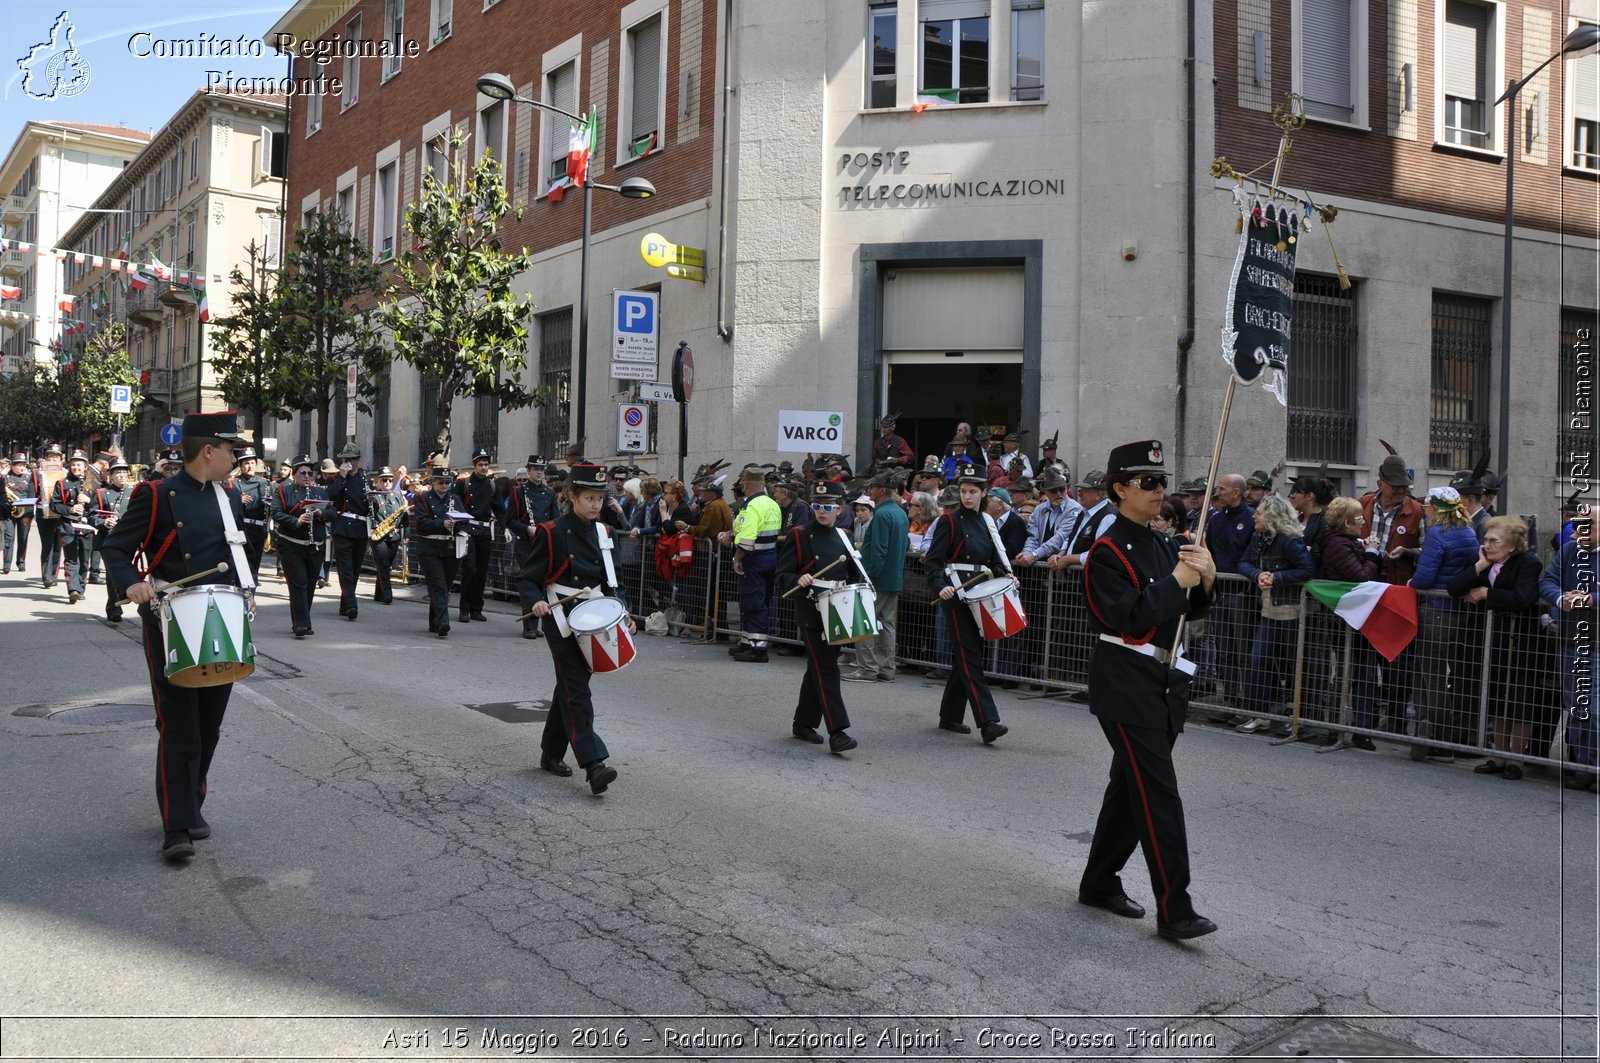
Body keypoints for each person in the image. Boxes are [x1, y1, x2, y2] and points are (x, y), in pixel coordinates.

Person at [1077, 439, 1218, 941]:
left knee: (1128, 789)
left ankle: (1098, 882)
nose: (1160, 491)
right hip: (1126, 683)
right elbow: (1128, 616)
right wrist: (1175, 582)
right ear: (1119, 489)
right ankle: (1175, 909)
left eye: (1163, 482)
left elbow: (1187, 612)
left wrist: (1204, 580)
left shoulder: (1162, 542)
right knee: (1158, 795)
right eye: (1148, 483)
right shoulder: (1106, 551)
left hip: (1166, 679)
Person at [100, 411, 255, 862]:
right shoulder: (157, 495)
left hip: (223, 618)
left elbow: (239, 552)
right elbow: (115, 548)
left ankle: (193, 802)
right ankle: (176, 823)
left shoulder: (230, 498)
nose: (236, 459)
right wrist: (131, 582)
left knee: (210, 725)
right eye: (232, 451)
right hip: (172, 621)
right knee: (179, 726)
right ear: (209, 451)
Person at [518, 463, 631, 794]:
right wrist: (534, 600)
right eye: (589, 498)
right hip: (561, 617)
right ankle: (594, 764)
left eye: (599, 498)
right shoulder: (551, 531)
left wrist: (624, 614)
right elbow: (529, 577)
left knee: (569, 687)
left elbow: (614, 582)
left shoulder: (605, 533)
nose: (596, 504)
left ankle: (551, 752)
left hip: (596, 618)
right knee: (577, 689)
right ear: (571, 496)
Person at [1450, 516, 1550, 781]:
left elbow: (1523, 597)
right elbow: (1454, 588)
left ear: (1512, 545)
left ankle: (1516, 759)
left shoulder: (1528, 562)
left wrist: (1486, 594)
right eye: (1486, 539)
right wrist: (1481, 565)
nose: (1488, 544)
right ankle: (1499, 756)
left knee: (1519, 700)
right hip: (1491, 642)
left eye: (1494, 541)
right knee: (1496, 698)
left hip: (1520, 641)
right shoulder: (1485, 563)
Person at [926, 462, 1013, 743]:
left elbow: (994, 562)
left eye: (973, 491)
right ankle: (988, 721)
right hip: (956, 594)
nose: (967, 496)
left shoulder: (987, 522)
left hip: (981, 594)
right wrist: (941, 587)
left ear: (983, 492)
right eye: (963, 491)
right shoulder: (948, 521)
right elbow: (933, 562)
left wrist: (1008, 576)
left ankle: (950, 716)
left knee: (967, 656)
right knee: (970, 656)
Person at [776, 480, 865, 753]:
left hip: (838, 607)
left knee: (818, 668)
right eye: (817, 506)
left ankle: (803, 723)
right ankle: (838, 731)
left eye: (828, 506)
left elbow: (854, 574)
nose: (822, 511)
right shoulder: (800, 534)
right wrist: (797, 577)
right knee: (827, 668)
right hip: (811, 609)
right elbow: (782, 575)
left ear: (839, 508)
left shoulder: (844, 536)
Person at [1407, 485, 1482, 758]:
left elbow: (1425, 578)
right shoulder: (1467, 530)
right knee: (1436, 673)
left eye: (1427, 506)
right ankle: (1430, 736)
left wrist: (1410, 582)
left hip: (1435, 610)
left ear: (1435, 508)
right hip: (1456, 611)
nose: (1424, 510)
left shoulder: (1438, 533)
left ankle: (1438, 738)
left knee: (1431, 675)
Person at [1233, 495, 1313, 735]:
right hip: (1268, 612)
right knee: (1259, 662)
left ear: (1271, 516)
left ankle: (1297, 716)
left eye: (1258, 512)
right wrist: (1258, 574)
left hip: (1291, 612)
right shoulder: (1259, 537)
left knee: (1293, 666)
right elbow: (1243, 563)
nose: (1254, 516)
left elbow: (1307, 569)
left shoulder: (1289, 541)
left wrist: (1276, 578)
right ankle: (1260, 715)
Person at [1541, 506, 1599, 791]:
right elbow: (1547, 581)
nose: (1578, 533)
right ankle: (1584, 767)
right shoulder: (1568, 551)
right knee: (1576, 706)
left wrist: (1591, 598)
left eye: (1586, 527)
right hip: (1569, 640)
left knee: (1596, 708)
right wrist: (1560, 597)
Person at [1318, 497, 1382, 749]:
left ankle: (1361, 729)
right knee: (1346, 673)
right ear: (1346, 522)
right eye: (1358, 519)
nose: (1363, 522)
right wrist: (1372, 553)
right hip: (1346, 619)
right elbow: (1361, 577)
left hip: (1360, 617)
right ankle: (1336, 729)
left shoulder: (1349, 542)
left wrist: (1368, 551)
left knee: (1365, 674)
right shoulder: (1336, 544)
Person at [849, 471, 909, 684]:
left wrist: (869, 578)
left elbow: (878, 551)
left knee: (863, 622)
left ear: (881, 490)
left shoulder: (882, 515)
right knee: (886, 624)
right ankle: (885, 669)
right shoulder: (900, 513)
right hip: (893, 578)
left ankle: (867, 669)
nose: (869, 491)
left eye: (872, 487)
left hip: (877, 579)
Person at [720, 465, 782, 662]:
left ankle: (757, 648)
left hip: (754, 560)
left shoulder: (752, 507)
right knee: (758, 602)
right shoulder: (772, 504)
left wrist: (737, 558)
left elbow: (746, 540)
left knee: (753, 603)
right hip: (769, 557)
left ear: (745, 485)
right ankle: (747, 642)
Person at [270, 454, 329, 637]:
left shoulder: (320, 491)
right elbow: (276, 513)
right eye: (302, 473)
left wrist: (321, 513)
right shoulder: (282, 490)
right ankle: (301, 624)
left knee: (310, 585)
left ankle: (302, 619)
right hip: (291, 545)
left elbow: (333, 514)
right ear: (294, 474)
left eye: (309, 473)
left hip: (315, 545)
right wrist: (296, 520)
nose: (306, 477)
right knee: (299, 584)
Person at [506, 456, 562, 639]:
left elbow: (556, 520)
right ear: (529, 470)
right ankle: (528, 626)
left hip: (545, 543)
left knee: (542, 583)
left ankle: (535, 622)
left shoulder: (549, 493)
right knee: (529, 580)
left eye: (541, 469)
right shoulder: (518, 492)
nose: (539, 472)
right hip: (526, 542)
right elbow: (510, 520)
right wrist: (526, 529)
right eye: (535, 469)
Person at [325, 446, 373, 621]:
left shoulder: (365, 480)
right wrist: (342, 477)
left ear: (358, 460)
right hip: (343, 527)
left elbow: (369, 506)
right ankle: (352, 605)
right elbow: (328, 495)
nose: (349, 463)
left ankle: (344, 604)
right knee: (345, 569)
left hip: (360, 528)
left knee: (355, 569)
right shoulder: (336, 479)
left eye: (352, 460)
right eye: (346, 460)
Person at [412, 465, 460, 637]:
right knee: (438, 585)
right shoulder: (423, 499)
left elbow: (465, 520)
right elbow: (421, 523)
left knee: (443, 586)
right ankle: (443, 622)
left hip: (450, 547)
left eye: (448, 482)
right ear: (432, 482)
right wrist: (442, 524)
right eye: (441, 482)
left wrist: (458, 523)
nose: (445, 486)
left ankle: (434, 622)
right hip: (430, 547)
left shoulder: (454, 499)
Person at [454, 449, 497, 623]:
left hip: (485, 530)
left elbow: (500, 507)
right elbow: (455, 503)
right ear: (474, 466)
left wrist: (507, 528)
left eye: (486, 465)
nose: (484, 468)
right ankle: (464, 608)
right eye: (480, 465)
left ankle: (476, 608)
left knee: (481, 571)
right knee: (469, 568)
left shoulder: (491, 485)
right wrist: (460, 526)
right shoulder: (463, 483)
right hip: (468, 529)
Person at [91, 457, 135, 623]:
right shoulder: (102, 493)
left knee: (126, 571)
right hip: (109, 539)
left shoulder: (134, 492)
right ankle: (115, 607)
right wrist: (103, 522)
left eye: (124, 472)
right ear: (111, 475)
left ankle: (118, 599)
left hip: (129, 538)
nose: (122, 475)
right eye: (118, 472)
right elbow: (91, 516)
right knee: (112, 574)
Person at [51, 449, 96, 604]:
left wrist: (89, 501)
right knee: (71, 559)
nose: (76, 467)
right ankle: (73, 589)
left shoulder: (94, 484)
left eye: (79, 464)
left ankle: (81, 588)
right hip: (68, 524)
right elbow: (54, 505)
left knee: (84, 560)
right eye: (73, 464)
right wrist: (70, 509)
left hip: (87, 526)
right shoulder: (62, 483)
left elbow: (99, 506)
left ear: (85, 467)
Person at [230, 447, 272, 581]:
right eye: (246, 463)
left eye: (252, 463)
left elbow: (273, 509)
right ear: (240, 466)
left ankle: (250, 596)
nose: (250, 466)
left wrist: (271, 503)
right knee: (239, 567)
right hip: (241, 528)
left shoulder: (265, 484)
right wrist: (238, 500)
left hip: (259, 529)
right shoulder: (234, 483)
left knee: (254, 567)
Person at [367, 467, 407, 606]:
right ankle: (387, 594)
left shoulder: (397, 496)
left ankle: (379, 593)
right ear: (378, 482)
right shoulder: (373, 495)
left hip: (393, 534)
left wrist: (406, 534)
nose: (387, 483)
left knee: (386, 564)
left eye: (390, 480)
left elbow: (404, 516)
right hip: (378, 535)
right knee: (383, 564)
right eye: (384, 480)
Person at [35, 443, 65, 588]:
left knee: (58, 545)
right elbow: (31, 493)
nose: (53, 459)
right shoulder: (38, 473)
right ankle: (46, 576)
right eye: (50, 456)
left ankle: (53, 574)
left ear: (61, 459)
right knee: (47, 544)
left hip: (60, 513)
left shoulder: (65, 474)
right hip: (43, 512)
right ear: (46, 458)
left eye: (56, 457)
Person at [3, 452, 33, 574]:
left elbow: (32, 494)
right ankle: (6, 564)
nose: (21, 467)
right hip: (9, 512)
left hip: (25, 513)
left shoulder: (29, 478)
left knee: (23, 537)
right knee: (9, 537)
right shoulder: (5, 478)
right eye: (18, 465)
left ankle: (21, 561)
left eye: (23, 465)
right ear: (12, 466)